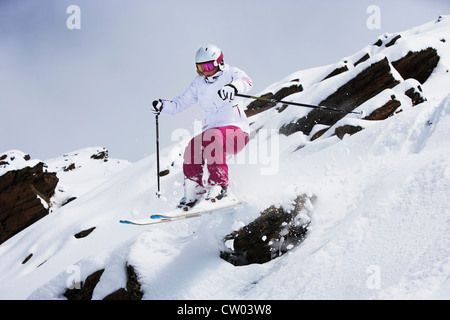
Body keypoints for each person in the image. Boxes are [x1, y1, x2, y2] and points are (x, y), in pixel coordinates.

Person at [151, 44, 252, 208]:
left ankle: (220, 187)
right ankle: (194, 191)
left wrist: (233, 87)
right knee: (192, 146)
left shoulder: (231, 73)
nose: (204, 70)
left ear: (219, 62)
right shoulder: (199, 84)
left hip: (236, 132)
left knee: (213, 137)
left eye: (208, 66)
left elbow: (246, 81)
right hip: (212, 133)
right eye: (200, 67)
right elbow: (180, 103)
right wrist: (162, 105)